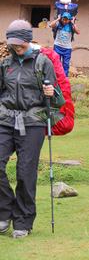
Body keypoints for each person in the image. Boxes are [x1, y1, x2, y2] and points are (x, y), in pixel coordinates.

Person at [0, 20, 60, 238]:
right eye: (13, 43)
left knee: (25, 173)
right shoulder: (6, 64)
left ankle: (23, 220)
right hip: (6, 120)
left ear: (27, 40)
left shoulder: (43, 63)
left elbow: (58, 99)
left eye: (20, 43)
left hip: (33, 122)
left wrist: (52, 93)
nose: (17, 47)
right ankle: (5, 211)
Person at [50, 12, 80, 77]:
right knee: (56, 62)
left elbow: (78, 32)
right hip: (57, 46)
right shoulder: (58, 25)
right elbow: (51, 25)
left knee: (66, 64)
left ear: (69, 20)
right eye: (63, 19)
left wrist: (73, 23)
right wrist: (58, 19)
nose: (64, 21)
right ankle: (56, 77)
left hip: (67, 48)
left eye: (66, 20)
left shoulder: (71, 26)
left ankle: (64, 77)